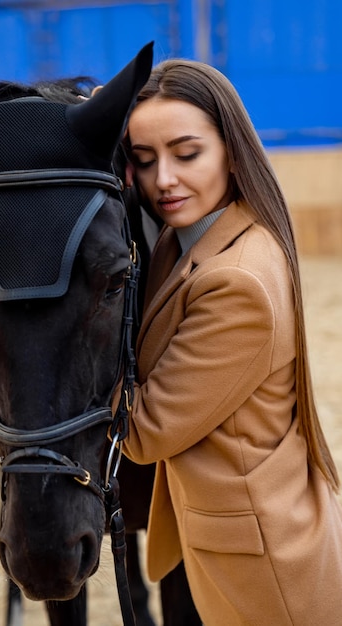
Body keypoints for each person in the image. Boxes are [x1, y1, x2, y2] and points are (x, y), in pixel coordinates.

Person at [116, 59, 342, 624]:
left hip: (263, 565)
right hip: (237, 533)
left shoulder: (235, 279)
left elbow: (143, 433)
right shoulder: (198, 233)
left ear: (232, 152)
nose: (163, 178)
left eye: (186, 154)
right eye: (144, 160)